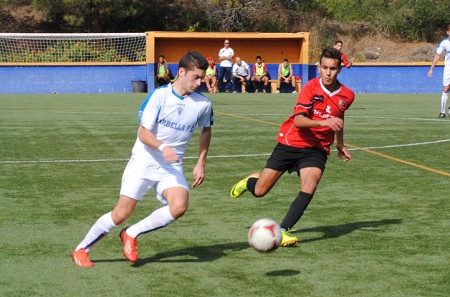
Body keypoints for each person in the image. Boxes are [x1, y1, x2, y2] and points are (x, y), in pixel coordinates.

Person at [72, 51, 213, 267]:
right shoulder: (159, 96)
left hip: (171, 166)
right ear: (181, 72)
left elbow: (205, 131)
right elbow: (143, 133)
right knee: (121, 213)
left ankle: (131, 233)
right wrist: (163, 146)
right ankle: (81, 248)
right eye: (196, 77)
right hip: (144, 161)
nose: (200, 82)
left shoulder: (203, 104)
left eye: (202, 77)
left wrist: (201, 161)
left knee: (179, 205)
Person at [230, 48, 355, 247]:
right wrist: (324, 123)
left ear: (339, 69)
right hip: (291, 143)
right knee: (261, 191)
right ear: (319, 67)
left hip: (317, 149)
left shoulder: (347, 95)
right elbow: (299, 121)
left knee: (310, 185)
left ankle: (284, 230)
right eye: (324, 68)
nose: (328, 73)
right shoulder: (310, 88)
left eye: (332, 68)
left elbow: (339, 116)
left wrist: (339, 143)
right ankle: (249, 182)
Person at [427, 24, 450, 118]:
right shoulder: (444, 42)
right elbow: (437, 55)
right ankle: (442, 112)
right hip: (448, 69)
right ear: (448, 32)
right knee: (446, 88)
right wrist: (431, 69)